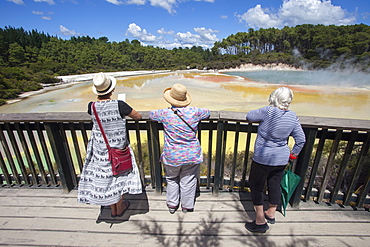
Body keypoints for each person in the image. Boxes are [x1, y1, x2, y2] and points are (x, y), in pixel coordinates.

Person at [78, 72, 142, 217]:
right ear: (111, 90)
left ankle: (113, 207)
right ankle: (118, 209)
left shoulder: (91, 106)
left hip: (100, 149)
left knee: (107, 176)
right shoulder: (120, 105)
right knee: (117, 177)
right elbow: (138, 116)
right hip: (118, 148)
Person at [245, 87, 306, 233]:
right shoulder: (292, 116)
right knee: (274, 184)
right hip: (281, 159)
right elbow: (301, 139)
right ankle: (271, 213)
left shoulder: (268, 111)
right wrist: (293, 155)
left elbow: (249, 116)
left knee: (256, 186)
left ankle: (260, 221)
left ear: (274, 97)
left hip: (263, 157)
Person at [149, 83, 210, 214]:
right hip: (191, 154)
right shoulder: (195, 112)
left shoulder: (165, 113)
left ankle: (172, 204)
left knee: (171, 179)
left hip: (172, 155)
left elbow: (151, 114)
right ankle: (187, 206)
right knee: (188, 180)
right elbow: (207, 112)